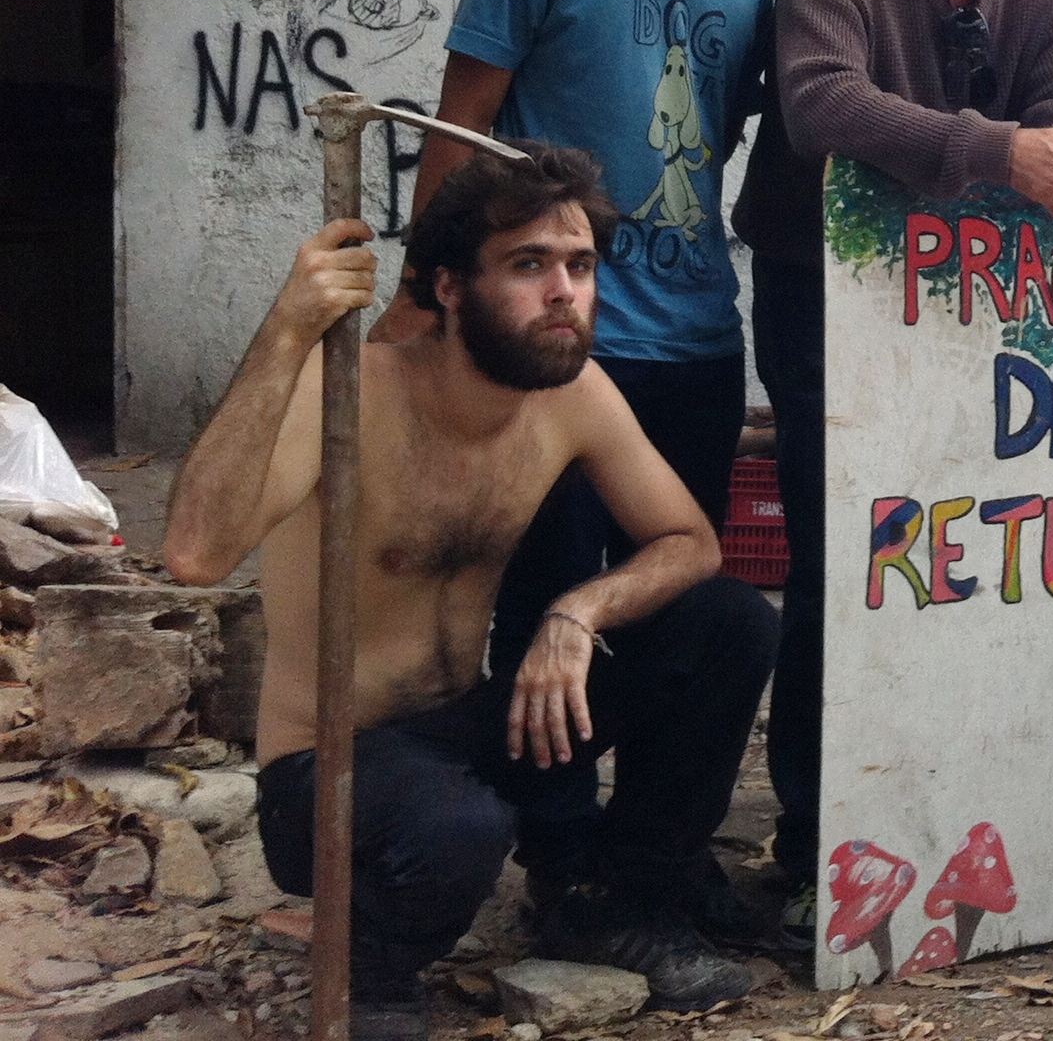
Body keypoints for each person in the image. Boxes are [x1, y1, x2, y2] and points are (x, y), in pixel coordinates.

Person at [164, 148, 778, 1038]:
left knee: (728, 624)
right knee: (455, 827)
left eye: (579, 266)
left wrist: (578, 612)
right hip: (328, 770)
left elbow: (691, 543)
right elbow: (194, 555)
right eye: (529, 265)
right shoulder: (348, 395)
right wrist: (289, 331)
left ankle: (611, 899)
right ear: (450, 288)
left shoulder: (574, 395)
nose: (564, 292)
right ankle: (374, 970)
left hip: (469, 730)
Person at [730, 0, 1053, 938]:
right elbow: (820, 104)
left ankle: (957, 799)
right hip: (825, 285)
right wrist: (998, 149)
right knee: (842, 552)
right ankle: (816, 835)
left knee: (958, 541)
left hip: (960, 294)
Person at [379, 0, 777, 930]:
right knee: (547, 596)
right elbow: (461, 124)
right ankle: (560, 860)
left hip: (698, 336)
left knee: (679, 605)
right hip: (558, 341)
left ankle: (656, 855)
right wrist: (424, 293)